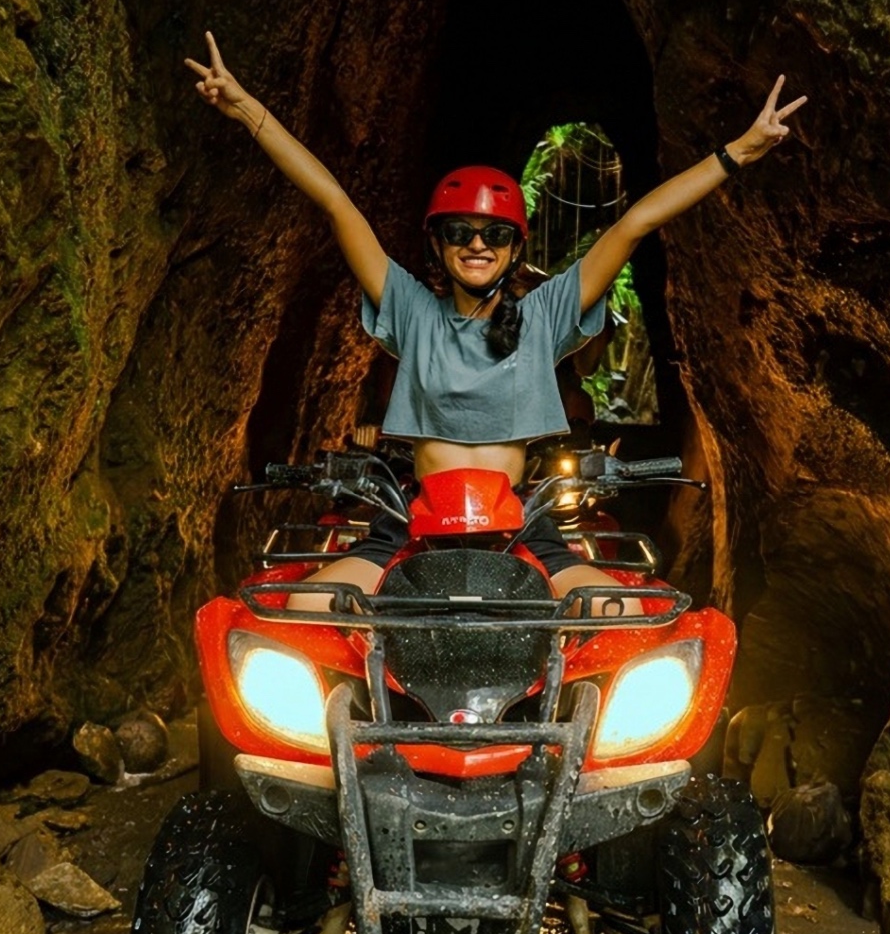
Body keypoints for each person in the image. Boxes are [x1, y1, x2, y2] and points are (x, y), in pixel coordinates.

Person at [185, 32, 804, 610]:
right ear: (437, 245)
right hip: (412, 521)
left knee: (619, 609)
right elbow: (333, 201)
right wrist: (246, 110)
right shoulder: (411, 311)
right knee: (307, 606)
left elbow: (636, 222)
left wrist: (740, 151)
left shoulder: (544, 316)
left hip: (520, 522)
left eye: (495, 234)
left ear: (514, 248)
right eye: (460, 232)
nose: (477, 245)